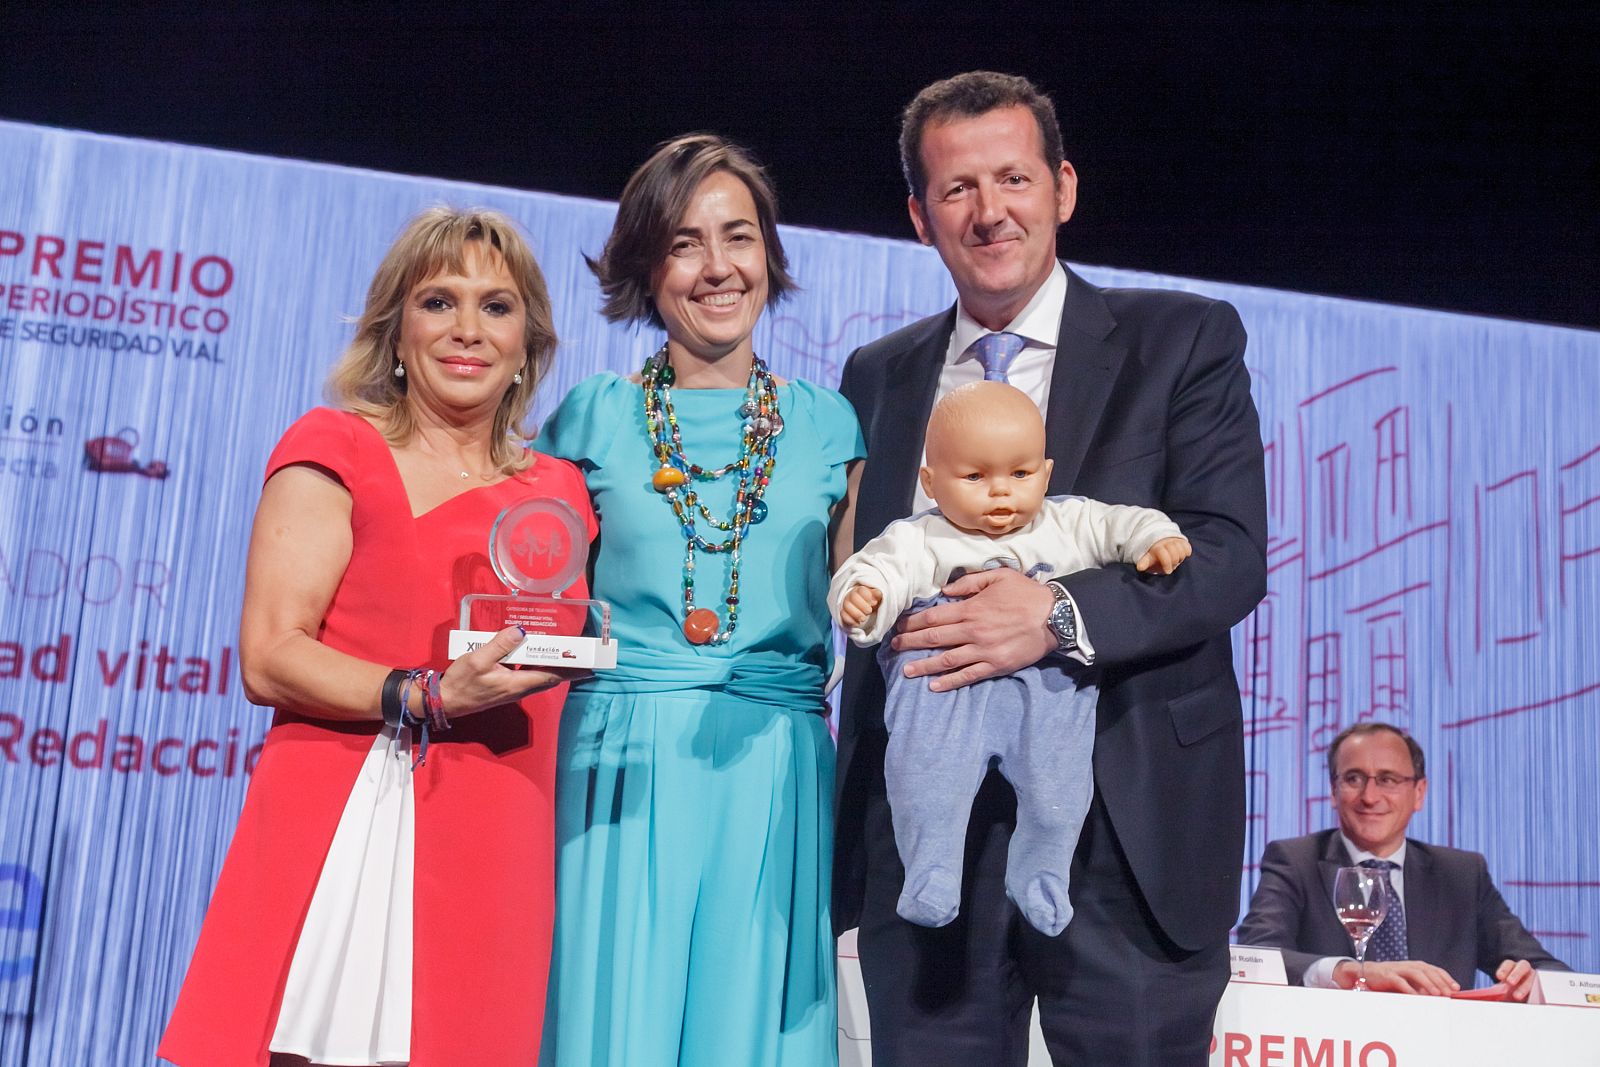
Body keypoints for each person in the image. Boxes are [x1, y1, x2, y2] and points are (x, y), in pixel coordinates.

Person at [833, 71, 1268, 1066]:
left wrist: (1057, 613)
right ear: (918, 215)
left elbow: (1226, 553)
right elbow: (872, 573)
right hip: (931, 837)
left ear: (1062, 187)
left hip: (1124, 822)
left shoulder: (1183, 338)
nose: (991, 212)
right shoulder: (877, 376)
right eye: (957, 190)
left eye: (1014, 178)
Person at [158, 207, 591, 1066]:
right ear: (395, 327)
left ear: (529, 343)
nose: (467, 329)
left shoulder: (561, 491)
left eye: (497, 307)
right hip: (342, 812)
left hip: (498, 832)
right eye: (439, 302)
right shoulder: (336, 446)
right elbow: (271, 653)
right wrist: (422, 694)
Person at [537, 133, 863, 1067]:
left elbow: (866, 612)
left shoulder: (829, 424)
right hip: (618, 765)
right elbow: (537, 605)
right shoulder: (588, 417)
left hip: (774, 768)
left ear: (770, 253)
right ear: (647, 265)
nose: (719, 267)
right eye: (685, 243)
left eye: (741, 237)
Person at [828, 381, 1189, 936]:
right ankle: (930, 874)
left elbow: (1126, 523)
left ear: (1045, 473)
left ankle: (1041, 875)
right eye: (975, 478)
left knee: (1059, 795)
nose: (1001, 494)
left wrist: (1154, 540)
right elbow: (871, 569)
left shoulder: (1069, 520)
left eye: (1019, 475)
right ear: (931, 482)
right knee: (926, 787)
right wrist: (864, 598)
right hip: (941, 691)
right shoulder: (918, 537)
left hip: (1048, 692)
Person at [1236, 722, 1567, 1000]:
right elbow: (1256, 959)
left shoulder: (1462, 874)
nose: (1369, 796)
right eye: (1353, 779)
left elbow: (1552, 973)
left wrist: (1528, 980)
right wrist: (1348, 972)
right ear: (1333, 791)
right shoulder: (1296, 861)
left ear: (1419, 793)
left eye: (1388, 779)